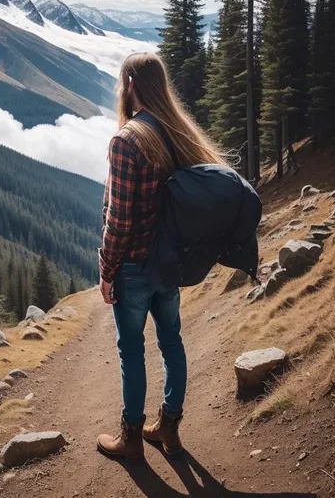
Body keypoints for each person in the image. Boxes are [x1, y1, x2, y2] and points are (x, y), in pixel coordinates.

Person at [97, 52, 226, 461]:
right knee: (172, 342)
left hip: (133, 268)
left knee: (131, 350)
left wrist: (106, 268)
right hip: (170, 263)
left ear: (131, 85)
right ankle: (168, 429)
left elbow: (119, 219)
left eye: (122, 83)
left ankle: (131, 437)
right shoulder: (179, 133)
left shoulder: (126, 140)